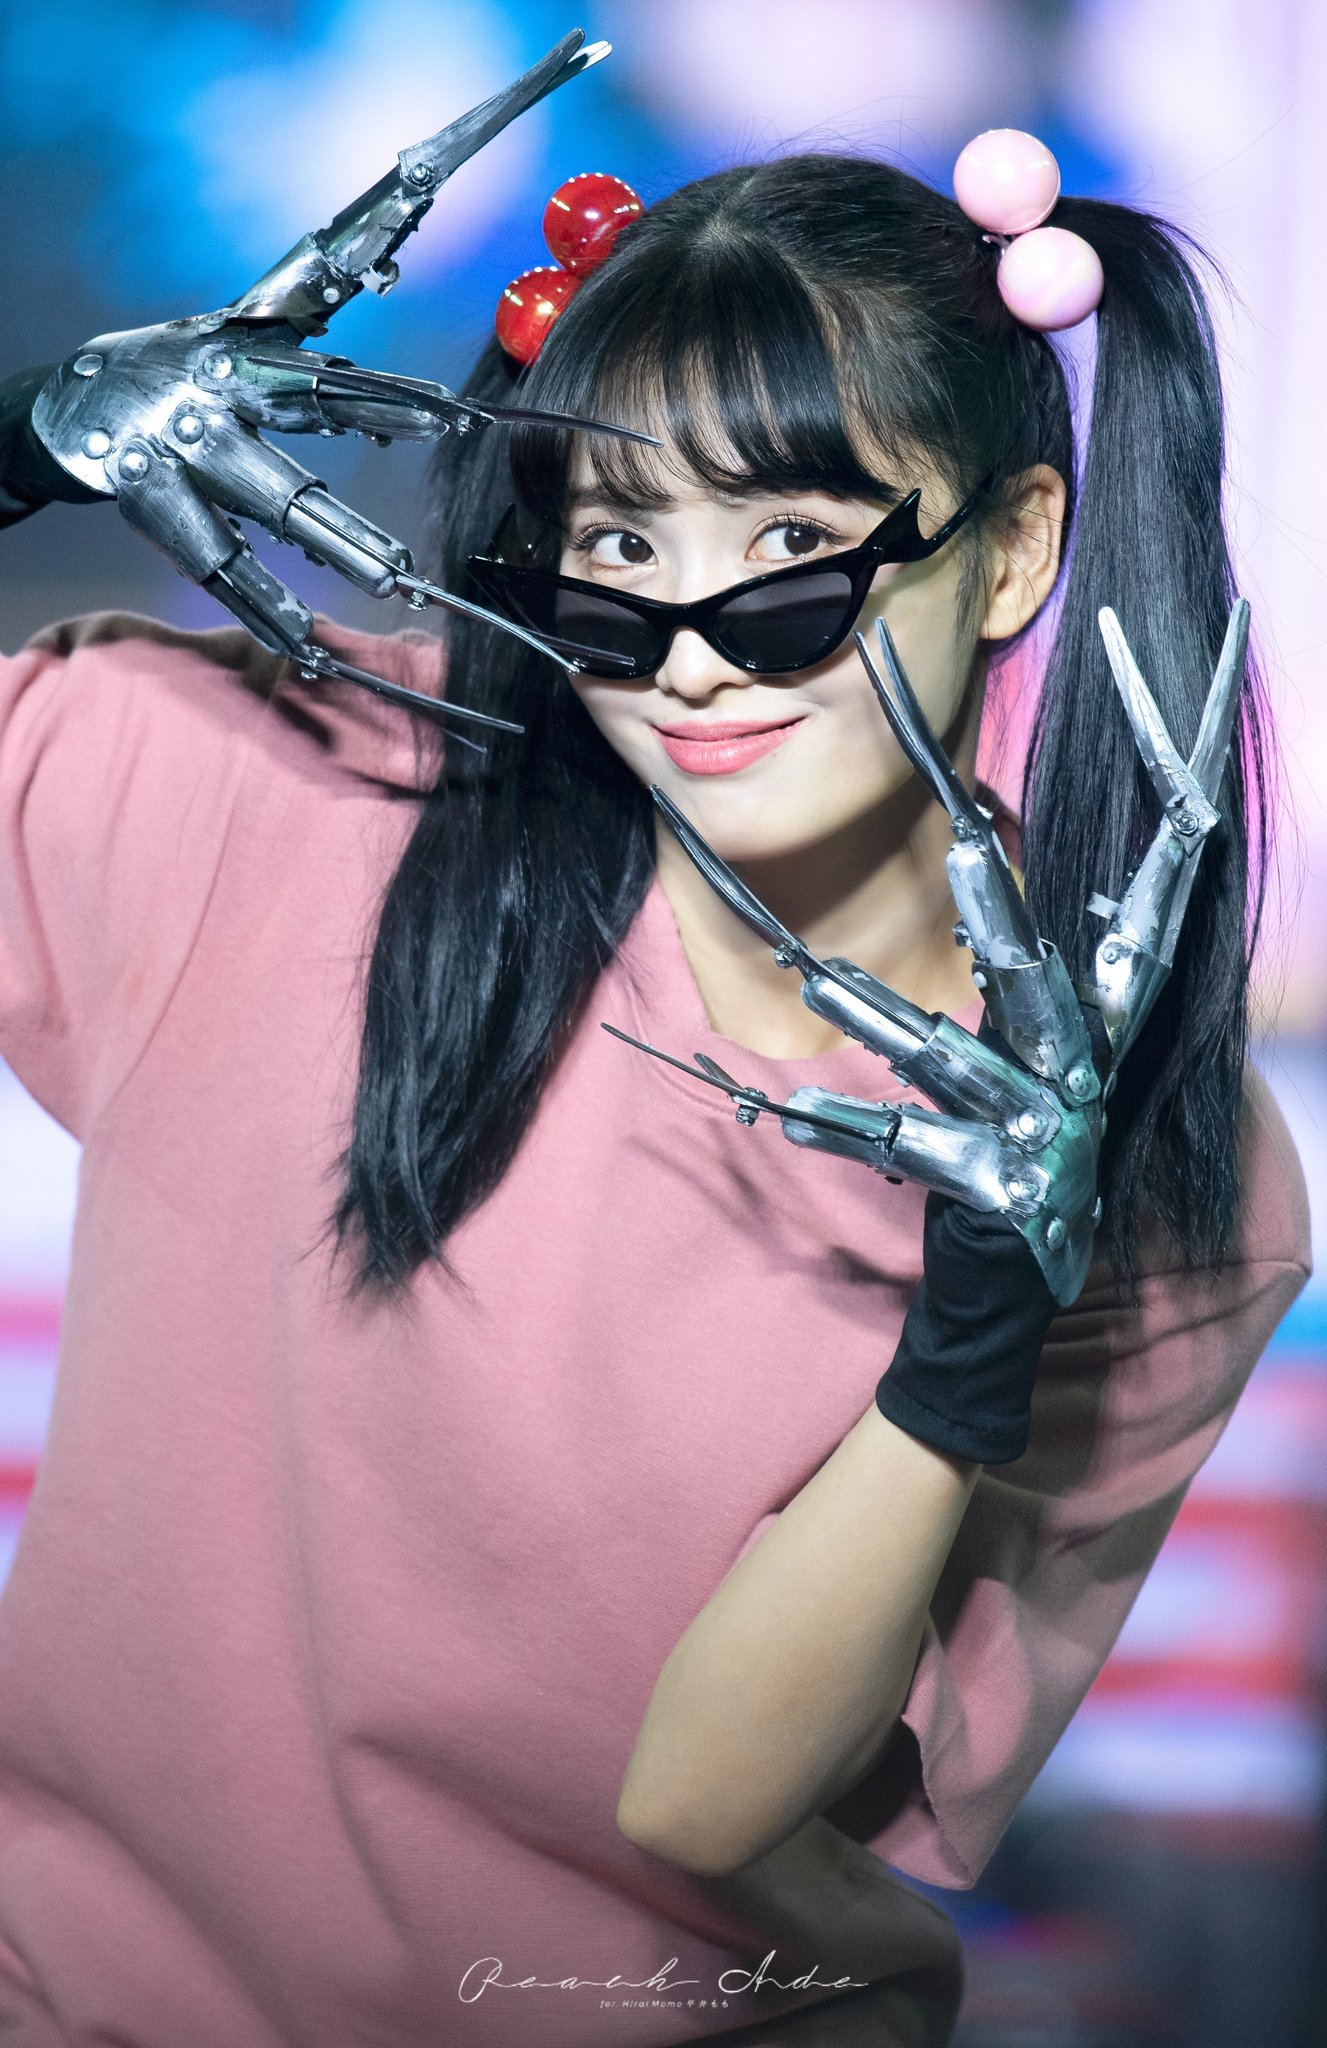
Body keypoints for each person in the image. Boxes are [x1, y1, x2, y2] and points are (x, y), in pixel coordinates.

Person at [0, 113, 1311, 2048]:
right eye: (620, 548)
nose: (692, 659)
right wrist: (25, 442)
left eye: (790, 551)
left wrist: (972, 1329)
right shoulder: (264, 792)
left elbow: (702, 1806)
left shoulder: (1170, 1157)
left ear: (1014, 544)